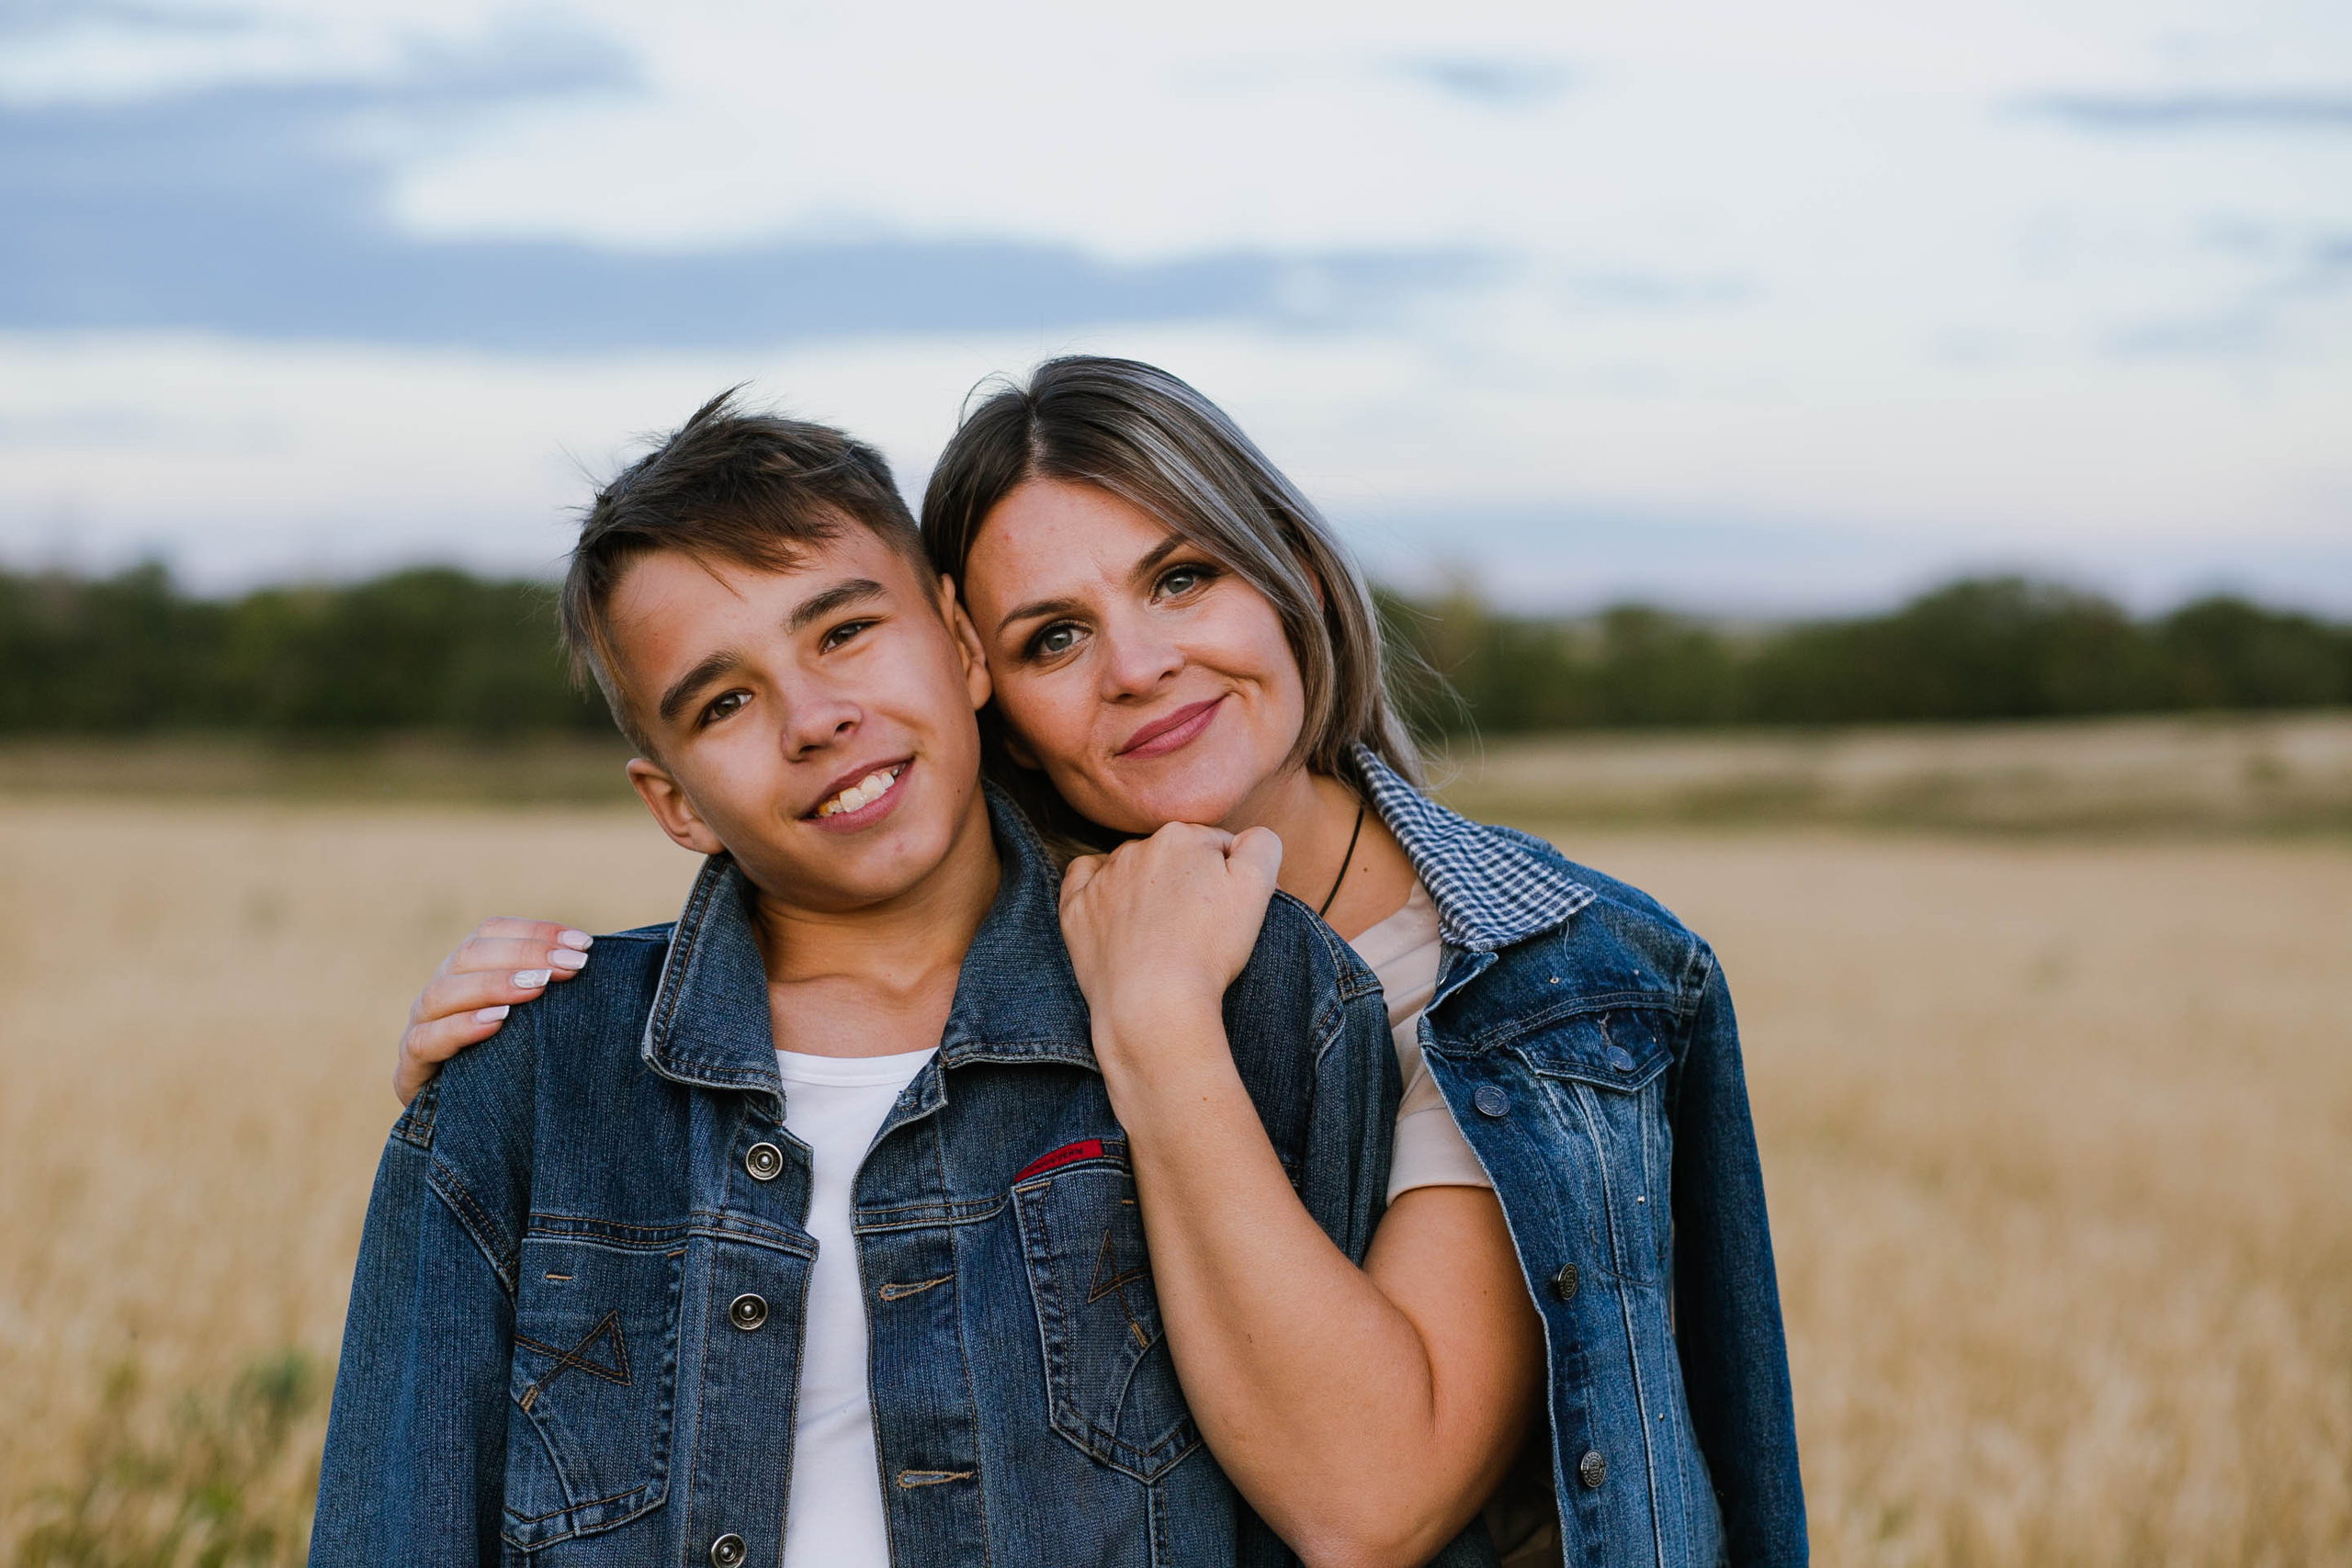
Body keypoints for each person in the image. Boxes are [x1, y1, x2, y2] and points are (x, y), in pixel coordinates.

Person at [396, 357, 1808, 1567]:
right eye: (1055, 635)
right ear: (984, 677)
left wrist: (1158, 1018)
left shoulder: (1551, 972)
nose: (1137, 666)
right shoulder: (980, 987)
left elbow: (1374, 1498)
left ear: (1293, 572)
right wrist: (512, 1087)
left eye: (1182, 577)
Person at [311, 397, 1423, 1567]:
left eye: (841, 633)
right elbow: (397, 1525)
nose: (815, 718)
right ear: (675, 801)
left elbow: (1321, 1492)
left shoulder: (1259, 1000)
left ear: (958, 640)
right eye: (725, 701)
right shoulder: (534, 1076)